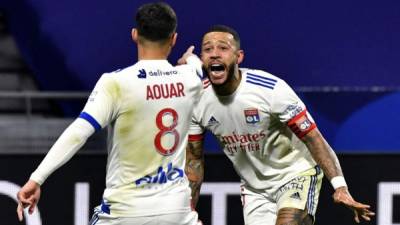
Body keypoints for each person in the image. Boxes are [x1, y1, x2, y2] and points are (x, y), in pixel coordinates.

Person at [16, 2, 203, 225]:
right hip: (176, 212)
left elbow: (79, 132)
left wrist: (37, 178)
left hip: (125, 212)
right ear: (173, 38)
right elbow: (196, 66)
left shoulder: (116, 83)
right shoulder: (190, 79)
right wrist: (190, 59)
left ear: (135, 35)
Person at [182, 25, 375, 225]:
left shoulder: (270, 89)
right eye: (207, 49)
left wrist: (340, 187)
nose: (214, 54)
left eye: (222, 48)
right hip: (254, 188)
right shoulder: (197, 100)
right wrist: (186, 210)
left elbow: (313, 137)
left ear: (238, 57)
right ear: (201, 59)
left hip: (296, 173)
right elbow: (193, 161)